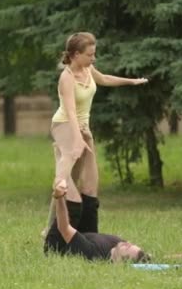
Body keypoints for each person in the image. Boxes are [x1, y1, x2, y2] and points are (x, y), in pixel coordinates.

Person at [42, 32, 148, 237]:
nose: (93, 58)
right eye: (90, 54)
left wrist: (132, 82)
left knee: (75, 178)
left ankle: (50, 226)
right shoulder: (67, 78)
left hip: (82, 127)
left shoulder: (88, 69)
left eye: (94, 54)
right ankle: (53, 228)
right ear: (75, 54)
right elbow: (70, 111)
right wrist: (77, 138)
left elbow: (105, 79)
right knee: (68, 164)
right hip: (64, 124)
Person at [45, 180, 150, 262]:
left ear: (120, 262)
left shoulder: (93, 254)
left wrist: (59, 197)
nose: (127, 243)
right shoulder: (117, 245)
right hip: (86, 236)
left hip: (59, 244)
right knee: (90, 196)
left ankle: (61, 174)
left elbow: (64, 228)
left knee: (74, 205)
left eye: (127, 248)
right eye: (130, 244)